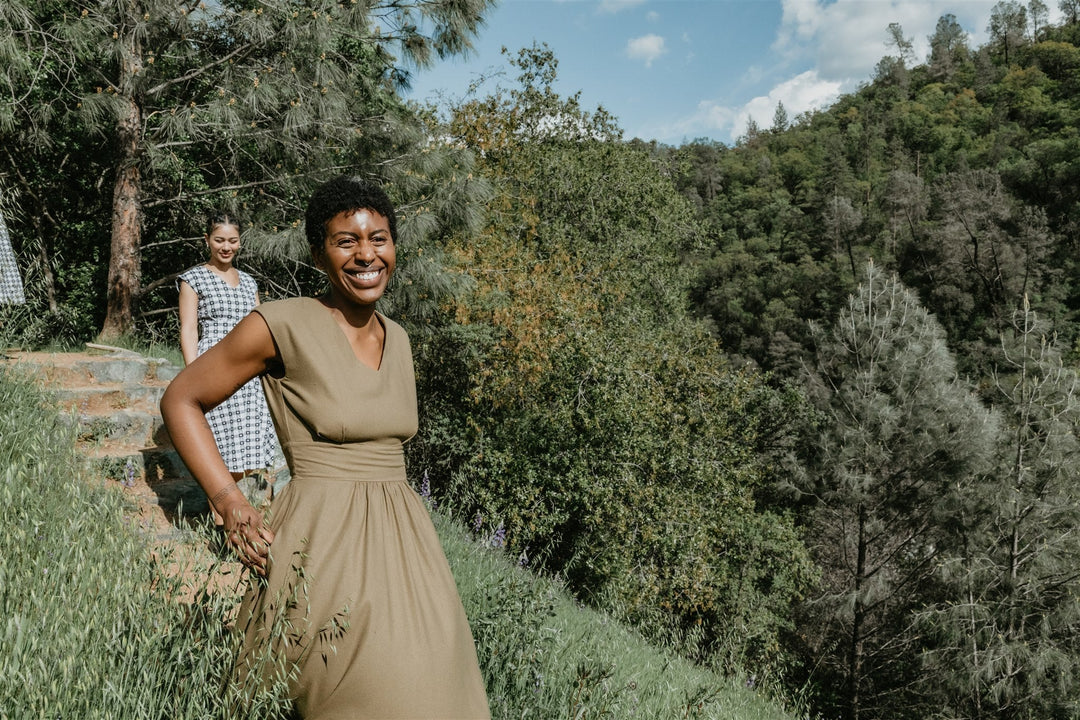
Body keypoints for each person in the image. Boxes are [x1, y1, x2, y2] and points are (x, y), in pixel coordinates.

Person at [160, 176, 490, 718]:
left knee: (440, 690)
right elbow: (181, 399)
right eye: (347, 241)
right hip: (323, 546)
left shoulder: (401, 338)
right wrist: (229, 502)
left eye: (378, 238)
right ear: (319, 252)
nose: (366, 255)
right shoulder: (282, 323)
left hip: (410, 550)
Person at [176, 213, 278, 523]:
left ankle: (261, 522)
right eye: (219, 240)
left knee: (257, 445)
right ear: (207, 241)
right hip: (214, 367)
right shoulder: (192, 278)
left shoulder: (249, 282)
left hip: (251, 372)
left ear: (239, 243)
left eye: (232, 241)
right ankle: (223, 527)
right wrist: (194, 376)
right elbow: (189, 328)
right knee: (219, 445)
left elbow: (261, 326)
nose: (226, 247)